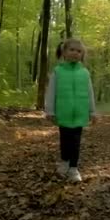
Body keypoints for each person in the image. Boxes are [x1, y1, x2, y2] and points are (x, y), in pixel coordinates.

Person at [44, 38, 97, 182]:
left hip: (80, 113)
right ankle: (65, 162)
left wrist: (92, 112)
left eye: (79, 51)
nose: (75, 53)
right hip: (63, 112)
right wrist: (49, 111)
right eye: (71, 50)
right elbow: (51, 92)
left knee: (76, 141)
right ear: (64, 52)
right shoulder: (58, 71)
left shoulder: (85, 73)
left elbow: (90, 92)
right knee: (65, 140)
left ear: (82, 55)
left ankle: (74, 169)